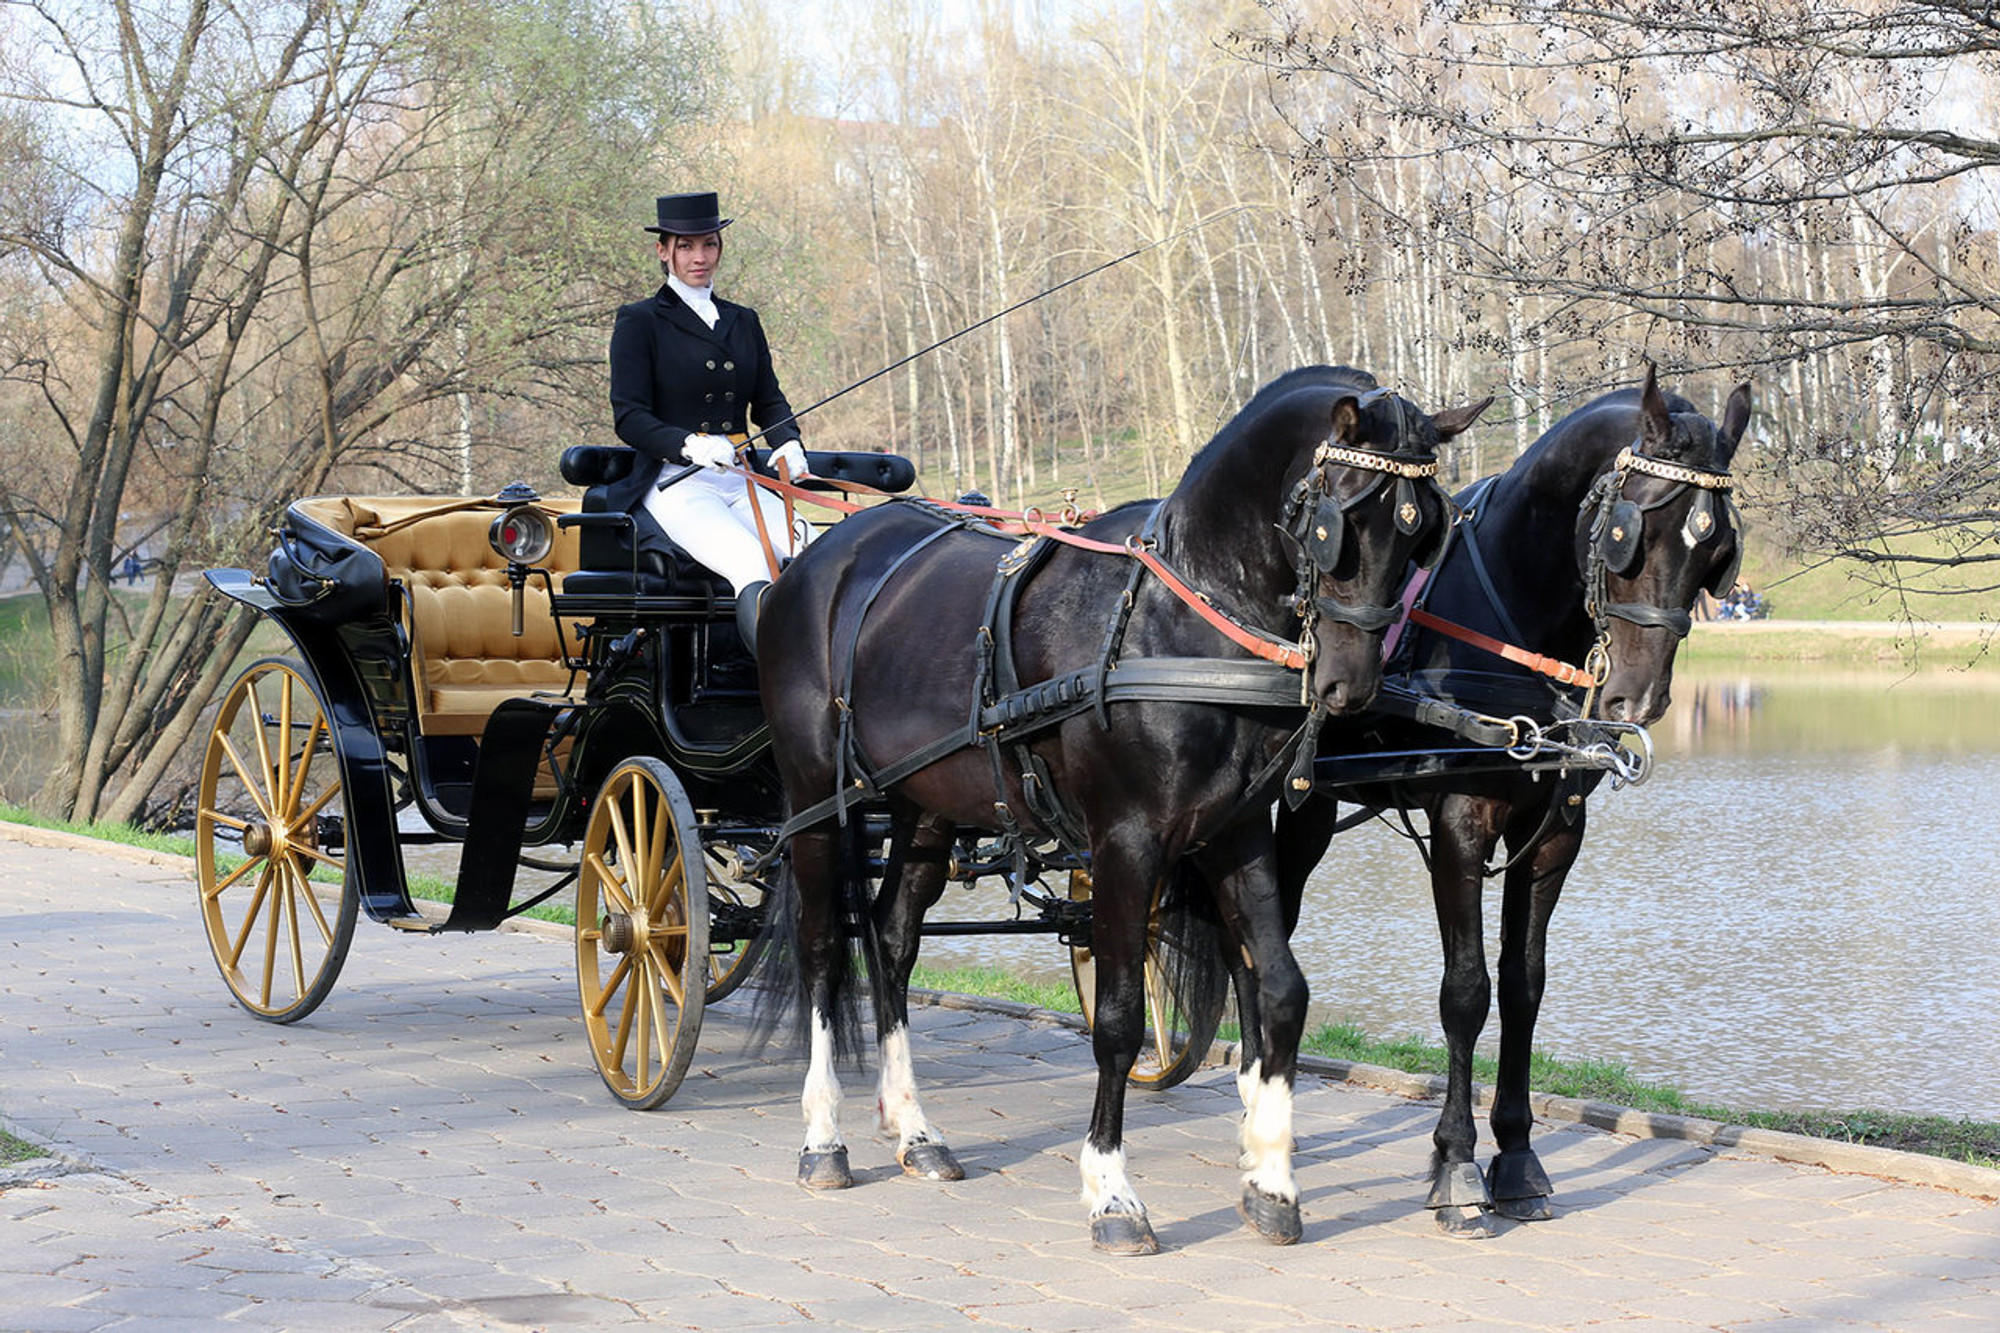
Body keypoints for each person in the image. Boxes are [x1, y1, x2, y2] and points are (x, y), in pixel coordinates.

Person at [605, 190, 812, 652]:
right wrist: (689, 444)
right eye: (685, 246)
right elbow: (630, 417)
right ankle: (773, 689)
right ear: (663, 251)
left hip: (741, 476)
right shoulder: (640, 321)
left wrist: (788, 441)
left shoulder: (743, 321)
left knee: (814, 558)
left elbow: (770, 401)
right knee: (752, 565)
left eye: (709, 245)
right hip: (680, 482)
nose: (699, 257)